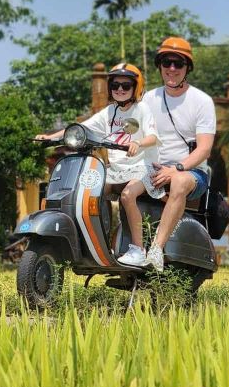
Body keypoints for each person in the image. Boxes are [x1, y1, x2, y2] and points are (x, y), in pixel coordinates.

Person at [34, 62, 159, 266]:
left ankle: (139, 250)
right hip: (118, 170)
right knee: (92, 191)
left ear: (135, 88)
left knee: (128, 195)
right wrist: (49, 137)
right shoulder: (109, 112)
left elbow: (153, 136)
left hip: (143, 168)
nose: (119, 89)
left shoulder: (142, 109)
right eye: (115, 85)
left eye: (125, 85)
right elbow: (82, 128)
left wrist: (138, 142)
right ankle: (102, 243)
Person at [136, 37, 216, 272]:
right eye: (166, 63)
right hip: (155, 169)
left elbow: (204, 149)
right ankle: (127, 248)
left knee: (179, 182)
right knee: (111, 182)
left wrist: (176, 169)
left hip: (191, 172)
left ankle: (156, 250)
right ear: (159, 66)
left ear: (187, 68)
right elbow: (130, 130)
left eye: (178, 64)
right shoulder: (149, 99)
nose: (171, 69)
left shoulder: (202, 101)